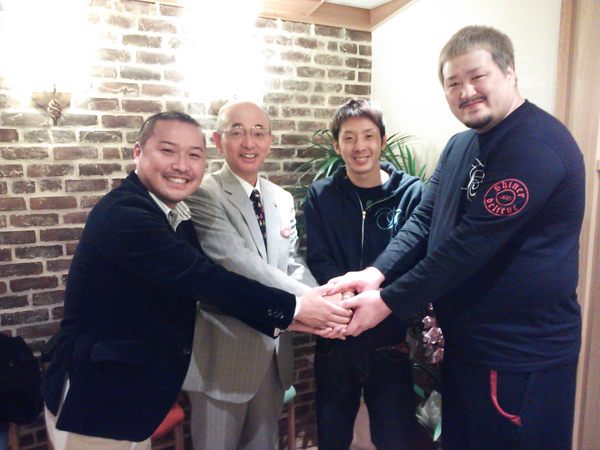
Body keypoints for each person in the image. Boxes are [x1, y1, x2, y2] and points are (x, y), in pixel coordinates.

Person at [328, 26, 585, 450]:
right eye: (453, 83)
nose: (466, 92)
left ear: (509, 71)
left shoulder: (536, 145)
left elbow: (469, 245)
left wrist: (387, 301)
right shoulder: (460, 145)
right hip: (468, 347)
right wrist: (376, 272)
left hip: (519, 355)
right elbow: (425, 218)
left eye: (477, 76)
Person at [42, 111, 351, 450]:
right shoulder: (127, 215)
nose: (181, 165)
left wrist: (299, 318)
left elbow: (211, 283)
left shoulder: (170, 211)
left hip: (131, 392)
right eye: (168, 151)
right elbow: (208, 279)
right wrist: (297, 308)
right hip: (97, 394)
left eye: (193, 155)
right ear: (138, 152)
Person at [182, 101, 320, 450]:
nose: (249, 142)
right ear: (218, 140)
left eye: (258, 132)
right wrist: (313, 303)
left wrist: (323, 294)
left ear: (270, 141)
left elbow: (291, 262)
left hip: (273, 356)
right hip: (223, 358)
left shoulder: (281, 198)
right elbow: (235, 260)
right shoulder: (203, 193)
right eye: (237, 131)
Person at [304, 98, 425, 450]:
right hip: (336, 335)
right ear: (336, 145)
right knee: (332, 436)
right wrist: (347, 304)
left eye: (369, 136)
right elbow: (319, 258)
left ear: (382, 140)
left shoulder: (411, 193)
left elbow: (413, 260)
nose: (360, 146)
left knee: (395, 438)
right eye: (349, 137)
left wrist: (378, 302)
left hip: (390, 336)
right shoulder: (321, 194)